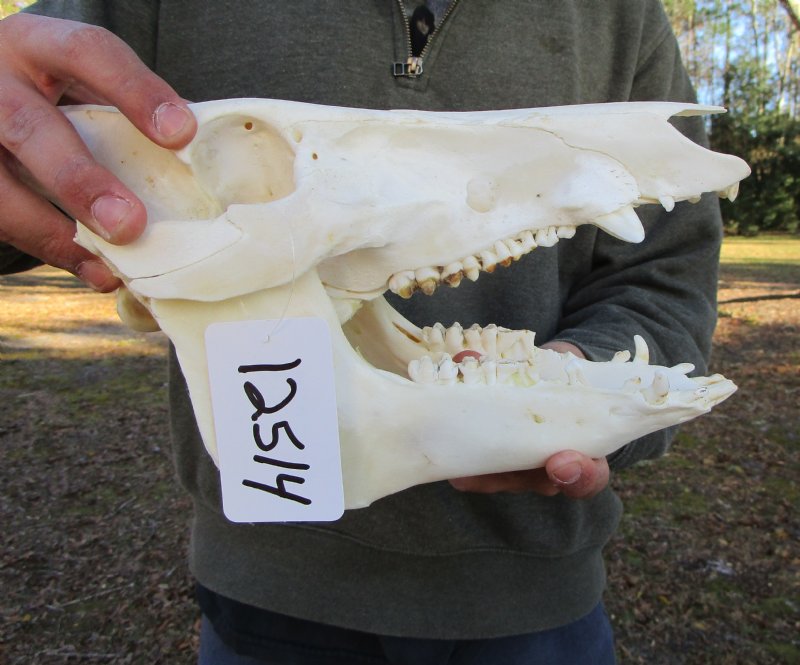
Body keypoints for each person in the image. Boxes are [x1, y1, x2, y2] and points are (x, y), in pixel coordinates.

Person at [0, 2, 724, 663]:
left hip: (539, 603)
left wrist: (574, 383)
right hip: (264, 601)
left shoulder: (621, 14)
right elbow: (24, 155)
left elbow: (665, 274)